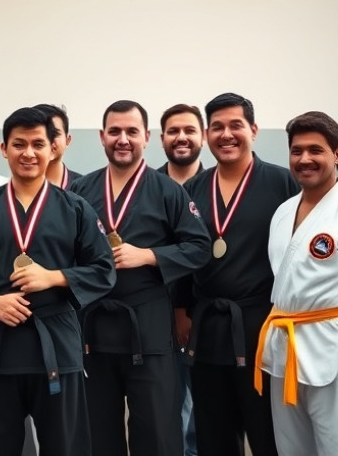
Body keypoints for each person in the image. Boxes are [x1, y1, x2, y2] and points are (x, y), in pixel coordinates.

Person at [0, 106, 117, 455]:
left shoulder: (76, 208)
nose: (28, 153)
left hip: (57, 345)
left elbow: (104, 270)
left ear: (52, 148)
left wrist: (54, 277)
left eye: (38, 144)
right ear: (4, 148)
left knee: (65, 447)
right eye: (19, 144)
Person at [70, 99, 210, 456]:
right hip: (94, 330)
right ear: (101, 136)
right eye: (114, 131)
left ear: (146, 137)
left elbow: (199, 247)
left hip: (148, 328)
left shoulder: (168, 191)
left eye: (132, 131)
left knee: (158, 433)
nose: (123, 139)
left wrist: (148, 256)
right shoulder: (80, 194)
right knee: (97, 431)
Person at [181, 92, 299, 456]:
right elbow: (183, 258)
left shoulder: (284, 185)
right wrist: (181, 312)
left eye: (236, 125)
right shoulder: (191, 190)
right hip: (209, 329)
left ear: (254, 130)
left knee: (267, 432)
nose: (226, 134)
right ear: (206, 134)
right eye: (217, 127)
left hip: (264, 328)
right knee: (213, 434)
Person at [256, 111, 338, 455]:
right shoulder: (283, 212)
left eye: (316, 150)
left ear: (337, 154)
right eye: (297, 151)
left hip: (335, 349)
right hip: (286, 347)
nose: (305, 159)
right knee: (293, 449)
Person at [158, 103, 205, 456]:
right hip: (155, 314)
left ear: (201, 136)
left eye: (189, 130)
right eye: (173, 131)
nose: (181, 137)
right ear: (160, 139)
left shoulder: (217, 186)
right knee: (166, 406)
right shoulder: (147, 186)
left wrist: (187, 308)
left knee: (206, 407)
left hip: (207, 315)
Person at [33, 104, 81, 189]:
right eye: (40, 134)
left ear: (67, 140)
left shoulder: (85, 188)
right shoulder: (14, 189)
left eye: (54, 134)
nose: (47, 140)